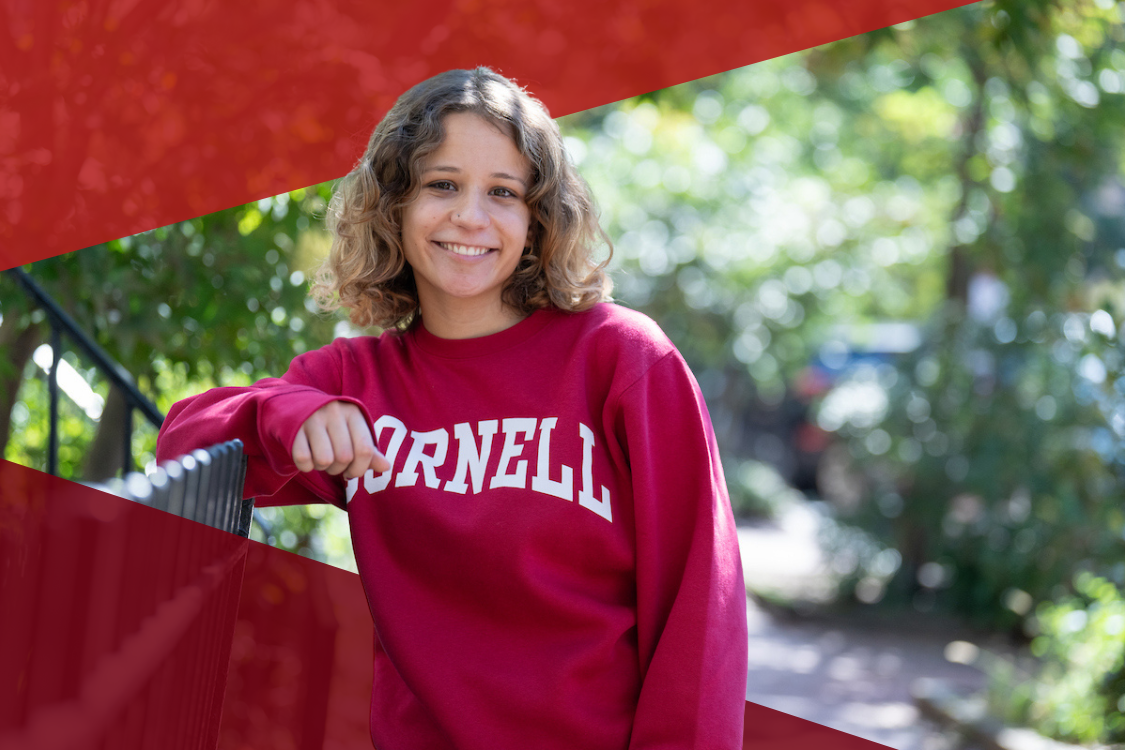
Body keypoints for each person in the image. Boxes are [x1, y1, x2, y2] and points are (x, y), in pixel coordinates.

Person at [157, 66, 748, 750]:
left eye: (503, 192)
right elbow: (180, 446)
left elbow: (701, 603)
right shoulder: (357, 379)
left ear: (536, 219)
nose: (470, 216)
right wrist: (290, 415)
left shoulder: (618, 359)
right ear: (393, 206)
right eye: (442, 185)